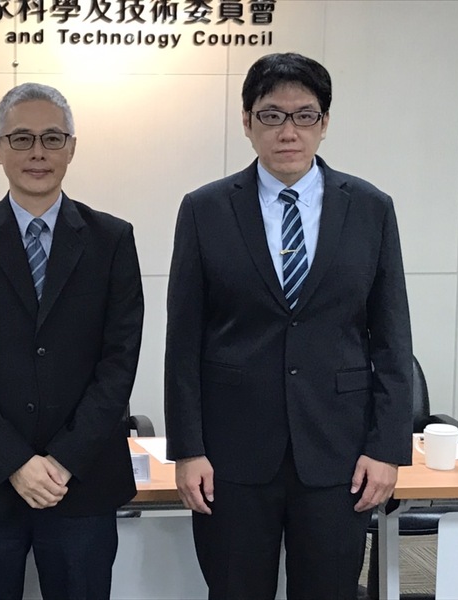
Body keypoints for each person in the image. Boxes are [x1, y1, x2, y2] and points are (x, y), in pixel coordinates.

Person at [164, 52, 413, 600]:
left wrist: (387, 448)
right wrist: (187, 448)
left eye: (304, 116)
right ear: (247, 122)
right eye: (272, 115)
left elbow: (392, 339)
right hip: (230, 456)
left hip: (339, 454)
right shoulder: (205, 209)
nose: (288, 131)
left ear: (324, 123)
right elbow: (182, 341)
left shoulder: (370, 208)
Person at [0, 82, 144, 599]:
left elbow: (119, 363)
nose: (38, 153)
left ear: (72, 147)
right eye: (21, 139)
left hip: (83, 482)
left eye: (52, 138)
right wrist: (15, 463)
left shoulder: (112, 240)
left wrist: (64, 459)